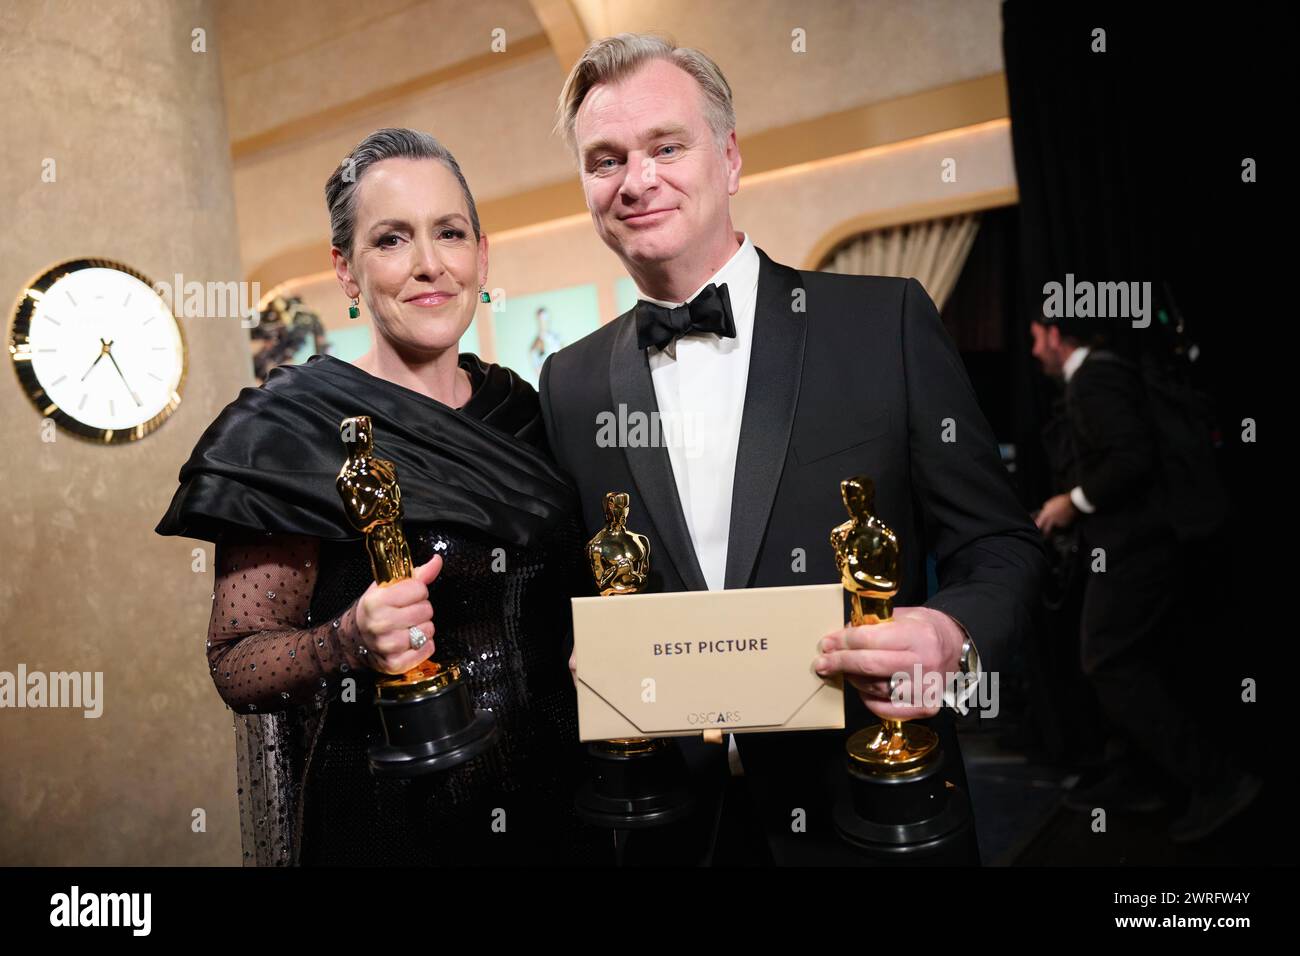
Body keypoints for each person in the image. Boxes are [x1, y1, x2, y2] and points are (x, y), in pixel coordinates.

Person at [541, 34, 1046, 865]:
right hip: (670, 828)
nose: (637, 180)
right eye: (605, 160)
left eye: (667, 146)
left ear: (730, 158)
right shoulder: (569, 382)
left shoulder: (882, 324)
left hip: (868, 814)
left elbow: (1002, 547)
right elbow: (576, 590)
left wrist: (951, 635)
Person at [156, 128, 604, 866]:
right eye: (392, 239)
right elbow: (236, 663)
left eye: (450, 233)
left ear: (481, 255)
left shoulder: (524, 409)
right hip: (391, 821)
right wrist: (348, 639)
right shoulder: (288, 430)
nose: (430, 265)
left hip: (560, 805)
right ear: (347, 270)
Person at [1029, 317, 1262, 842]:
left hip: (1138, 549)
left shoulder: (1094, 379)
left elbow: (1132, 459)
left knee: (1107, 660)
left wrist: (1073, 502)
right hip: (1135, 547)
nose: (1033, 350)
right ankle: (1137, 777)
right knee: (1129, 661)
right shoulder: (1105, 376)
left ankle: (1217, 780)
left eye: (1035, 337)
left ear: (1057, 335)